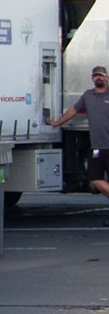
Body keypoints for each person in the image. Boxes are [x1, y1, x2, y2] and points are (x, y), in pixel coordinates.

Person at [48, 65, 109, 224]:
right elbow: (74, 110)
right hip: (98, 147)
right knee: (94, 178)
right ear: (92, 79)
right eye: (96, 76)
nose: (99, 78)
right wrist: (57, 122)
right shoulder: (88, 95)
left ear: (107, 78)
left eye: (101, 76)